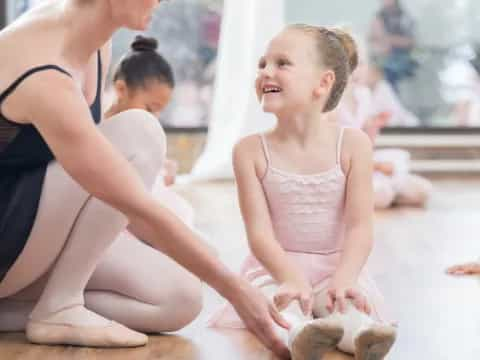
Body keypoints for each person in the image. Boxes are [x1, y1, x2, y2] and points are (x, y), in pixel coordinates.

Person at [0, 1, 289, 356]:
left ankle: (21, 313)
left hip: (31, 234)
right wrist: (235, 287)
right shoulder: (43, 71)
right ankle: (59, 304)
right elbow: (133, 202)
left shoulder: (94, 42)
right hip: (7, 242)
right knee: (140, 132)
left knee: (179, 298)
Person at [209, 24, 396, 360]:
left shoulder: (353, 144)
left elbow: (359, 226)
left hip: (334, 267)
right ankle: (299, 334)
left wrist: (346, 275)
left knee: (343, 304)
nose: (266, 72)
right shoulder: (249, 151)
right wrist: (289, 277)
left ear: (323, 83)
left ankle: (362, 337)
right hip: (274, 268)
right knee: (280, 304)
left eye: (282, 63)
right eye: (262, 64)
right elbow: (259, 234)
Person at [106, 34, 194, 225]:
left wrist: (164, 166)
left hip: (139, 195)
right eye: (150, 108)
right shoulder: (103, 126)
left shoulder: (139, 125)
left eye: (159, 111)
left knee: (181, 213)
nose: (153, 117)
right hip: (117, 206)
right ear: (121, 90)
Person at [369, 0, 417, 91]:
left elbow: (411, 41)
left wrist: (389, 40)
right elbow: (374, 38)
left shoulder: (404, 17)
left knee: (388, 72)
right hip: (382, 57)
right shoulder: (379, 16)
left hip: (401, 58)